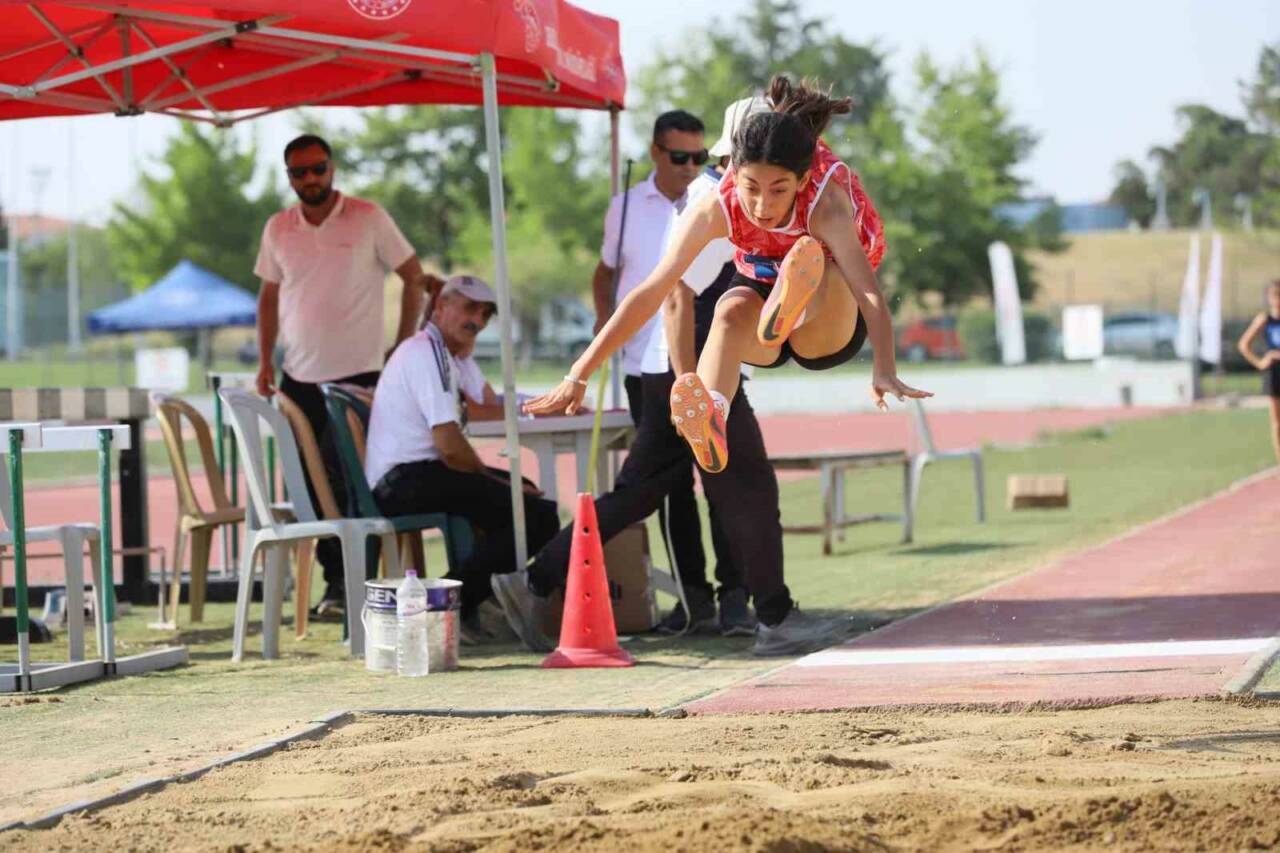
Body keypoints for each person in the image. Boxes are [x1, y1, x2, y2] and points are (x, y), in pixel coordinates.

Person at [524, 76, 930, 648]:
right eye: (744, 180)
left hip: (788, 333)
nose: (762, 202)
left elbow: (867, 295)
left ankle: (752, 607)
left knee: (698, 480)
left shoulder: (810, 197)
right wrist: (596, 374)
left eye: (777, 187)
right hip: (705, 352)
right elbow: (661, 295)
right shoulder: (715, 202)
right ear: (733, 162)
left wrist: (881, 363)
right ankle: (709, 418)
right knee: (732, 328)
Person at [254, 133, 440, 616]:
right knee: (313, 489)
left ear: (332, 168)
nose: (310, 179)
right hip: (298, 379)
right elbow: (268, 298)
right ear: (289, 176)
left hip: (361, 376)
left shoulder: (369, 216)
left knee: (357, 482)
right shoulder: (277, 228)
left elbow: (414, 277)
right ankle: (338, 587)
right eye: (299, 172)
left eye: (318, 168)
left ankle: (364, 585)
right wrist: (262, 363)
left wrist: (401, 346)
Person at [365, 275, 561, 637]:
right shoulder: (429, 354)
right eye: (469, 308)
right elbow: (451, 446)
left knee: (527, 500)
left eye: (486, 313)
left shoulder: (448, 353)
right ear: (440, 307)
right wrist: (499, 480)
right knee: (536, 515)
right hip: (405, 478)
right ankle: (438, 608)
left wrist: (539, 406)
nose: (479, 320)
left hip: (416, 473)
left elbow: (485, 404)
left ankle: (469, 606)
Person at [590, 109, 715, 609]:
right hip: (643, 368)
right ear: (656, 154)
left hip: (701, 364)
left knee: (717, 479)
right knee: (669, 488)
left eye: (699, 156)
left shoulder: (710, 198)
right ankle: (692, 599)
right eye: (680, 156)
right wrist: (606, 323)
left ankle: (733, 595)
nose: (690, 166)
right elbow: (604, 274)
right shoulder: (623, 207)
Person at [1235, 279, 1280, 463]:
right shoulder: (1264, 319)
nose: (1278, 299)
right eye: (1275, 295)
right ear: (1269, 298)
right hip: (1274, 371)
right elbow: (1244, 344)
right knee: (1277, 421)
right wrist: (1260, 362)